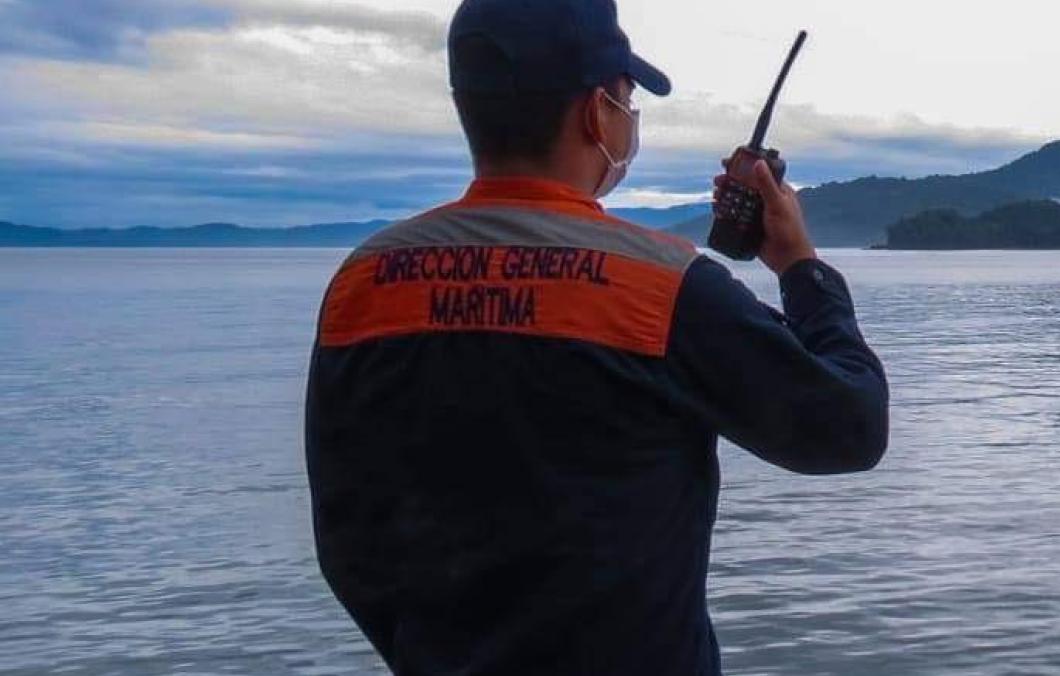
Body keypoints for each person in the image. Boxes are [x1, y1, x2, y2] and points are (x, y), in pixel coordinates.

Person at [303, 1, 888, 674]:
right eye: (628, 99)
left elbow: (346, 540)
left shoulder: (365, 282)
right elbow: (851, 425)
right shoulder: (662, 286)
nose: (628, 118)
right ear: (596, 112)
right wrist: (800, 267)